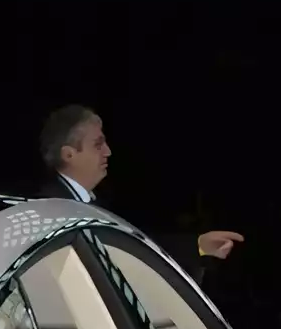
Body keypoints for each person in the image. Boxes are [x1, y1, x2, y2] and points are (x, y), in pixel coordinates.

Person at [35, 105, 244, 283]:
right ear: (69, 154)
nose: (108, 151)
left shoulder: (91, 203)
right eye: (98, 145)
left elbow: (133, 246)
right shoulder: (53, 211)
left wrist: (198, 246)